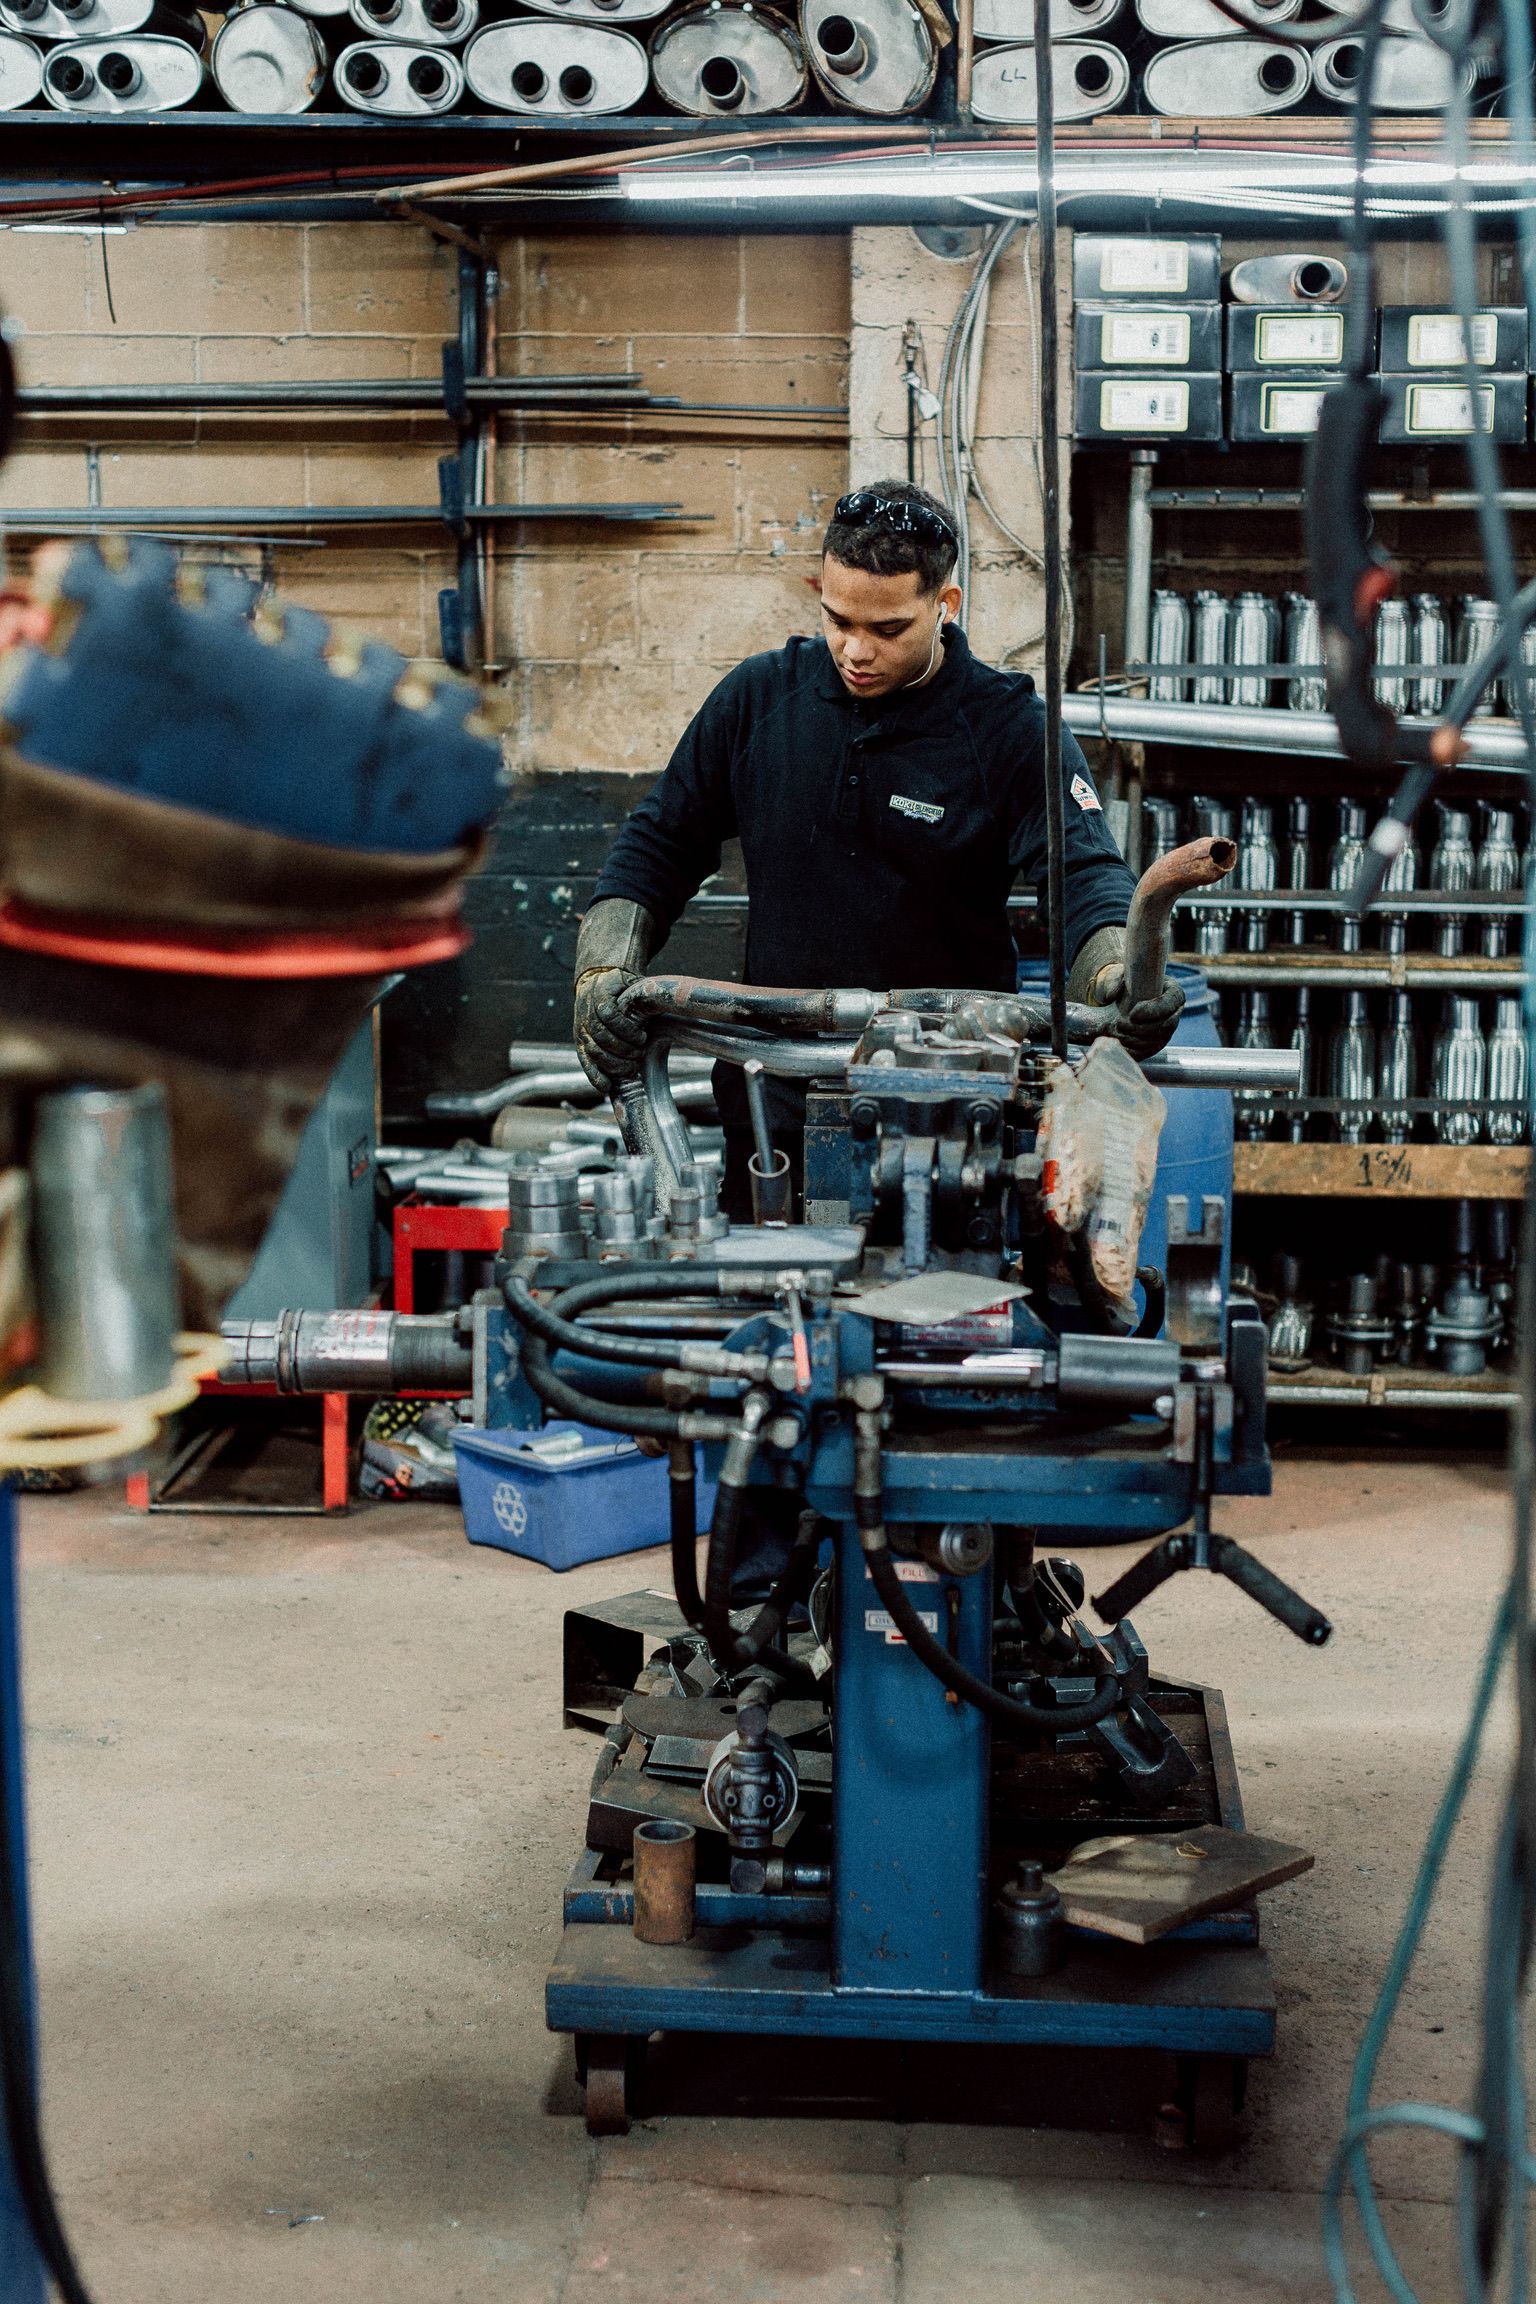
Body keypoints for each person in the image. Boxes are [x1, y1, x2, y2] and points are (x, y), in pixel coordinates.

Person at [572, 480, 1181, 1211]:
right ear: (818, 589)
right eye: (837, 619)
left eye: (888, 629)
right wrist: (601, 968)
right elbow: (658, 843)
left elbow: (1083, 875)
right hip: (775, 1110)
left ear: (945, 606)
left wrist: (1114, 976)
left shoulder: (1009, 730)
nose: (855, 650)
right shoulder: (759, 701)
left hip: (952, 1114)